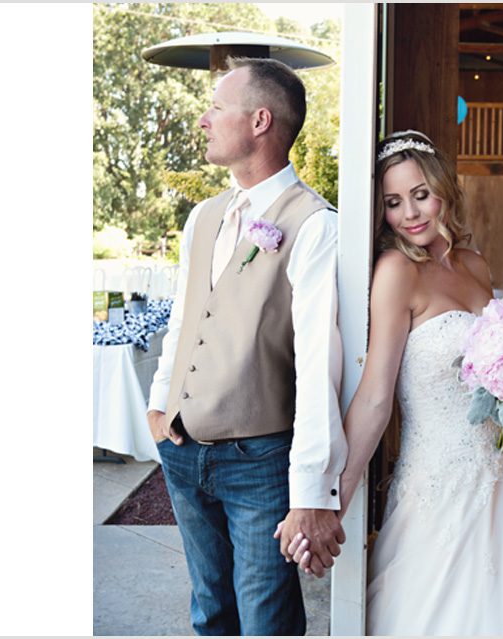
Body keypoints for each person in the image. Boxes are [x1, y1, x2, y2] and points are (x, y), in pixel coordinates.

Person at [287, 130, 503, 635]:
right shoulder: (397, 271)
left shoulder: (475, 264)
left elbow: (490, 372)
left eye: (420, 194)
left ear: (444, 190)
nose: (410, 213)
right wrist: (331, 497)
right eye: (394, 203)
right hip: (437, 480)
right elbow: (375, 396)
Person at [145, 57, 347, 636]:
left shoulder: (314, 225)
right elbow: (185, 322)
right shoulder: (204, 216)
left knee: (266, 621)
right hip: (183, 451)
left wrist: (311, 490)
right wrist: (160, 413)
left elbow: (318, 367)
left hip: (259, 464)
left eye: (216, 107)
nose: (204, 119)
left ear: (260, 121)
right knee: (210, 613)